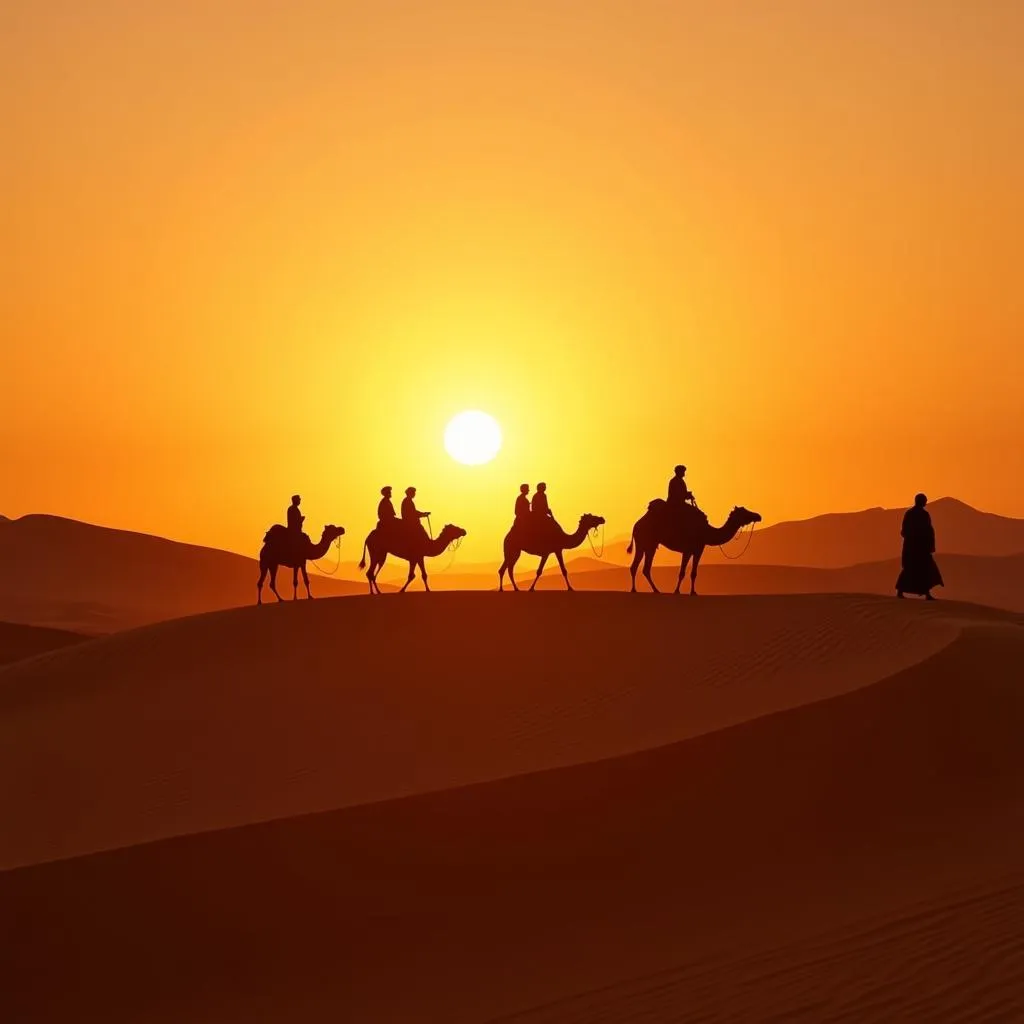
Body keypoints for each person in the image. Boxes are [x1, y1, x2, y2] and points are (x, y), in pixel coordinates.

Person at [896, 493, 943, 600]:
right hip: (917, 548)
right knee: (913, 569)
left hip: (916, 548)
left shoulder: (911, 513)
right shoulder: (921, 514)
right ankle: (903, 591)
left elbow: (905, 531)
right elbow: (927, 531)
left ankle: (925, 593)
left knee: (922, 570)